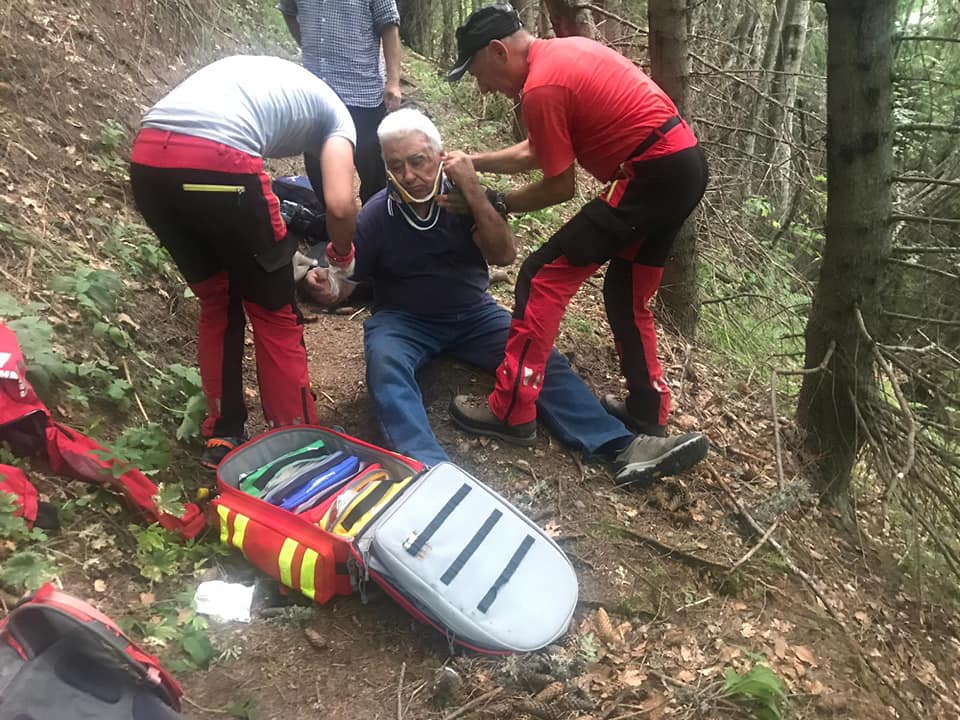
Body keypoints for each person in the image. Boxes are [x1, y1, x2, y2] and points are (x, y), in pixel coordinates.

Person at [301, 108, 707, 486]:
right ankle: (428, 472)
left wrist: (476, 196)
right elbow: (349, 282)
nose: (408, 175)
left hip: (473, 314)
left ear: (440, 156)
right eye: (395, 165)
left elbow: (503, 254)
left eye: (418, 160)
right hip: (404, 320)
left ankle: (622, 446)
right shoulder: (376, 214)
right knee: (385, 366)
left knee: (539, 357)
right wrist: (330, 288)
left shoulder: (466, 198)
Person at [445, 4, 709, 468]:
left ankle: (510, 409)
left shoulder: (542, 86)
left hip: (650, 173)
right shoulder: (561, 55)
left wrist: (497, 201)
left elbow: (560, 186)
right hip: (682, 167)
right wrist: (476, 161)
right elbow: (538, 149)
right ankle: (648, 411)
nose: (482, 85)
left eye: (477, 72)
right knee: (627, 293)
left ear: (497, 50)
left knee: (542, 275)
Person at [129, 55, 358, 468]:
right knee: (273, 309)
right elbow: (341, 207)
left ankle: (224, 433)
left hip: (148, 162)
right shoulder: (339, 118)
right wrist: (342, 256)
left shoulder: (276, 82)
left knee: (217, 301)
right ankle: (296, 438)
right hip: (217, 156)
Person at [278, 0, 402, 204]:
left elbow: (389, 24)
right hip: (317, 92)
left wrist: (394, 81)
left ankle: (374, 220)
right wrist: (307, 43)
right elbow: (288, 10)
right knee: (317, 165)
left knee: (371, 167)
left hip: (362, 91)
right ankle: (334, 223)